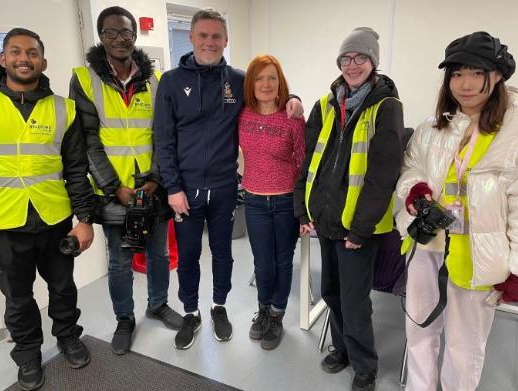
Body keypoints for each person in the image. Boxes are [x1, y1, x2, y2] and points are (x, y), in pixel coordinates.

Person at [154, 8, 303, 350]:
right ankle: (191, 312)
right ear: (191, 38)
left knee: (223, 254)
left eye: (216, 36)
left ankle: (219, 307)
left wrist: (294, 98)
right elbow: (163, 139)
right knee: (189, 256)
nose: (210, 42)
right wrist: (173, 188)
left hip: (224, 187)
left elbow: (272, 95)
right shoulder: (172, 82)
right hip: (186, 191)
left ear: (226, 40)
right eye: (203, 35)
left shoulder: (237, 81)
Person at [396, 31, 518, 391]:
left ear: (497, 75)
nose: (464, 84)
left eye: (475, 72)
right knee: (419, 330)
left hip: (479, 257)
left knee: (464, 347)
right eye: (456, 74)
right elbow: (411, 170)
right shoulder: (433, 126)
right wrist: (415, 191)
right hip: (428, 247)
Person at [0, 28, 95, 390]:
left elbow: (76, 169)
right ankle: (27, 355)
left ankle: (69, 337)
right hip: (3, 223)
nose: (24, 58)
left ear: (43, 61)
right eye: (15, 51)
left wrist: (84, 219)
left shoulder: (63, 108)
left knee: (62, 287)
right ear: (2, 59)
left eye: (32, 52)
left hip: (54, 219)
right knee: (17, 298)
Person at [294, 27, 404, 391]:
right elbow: (308, 161)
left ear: (373, 62)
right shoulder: (325, 105)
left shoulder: (386, 106)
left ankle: (364, 366)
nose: (352, 64)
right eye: (346, 58)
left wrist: (360, 229)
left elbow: (383, 175)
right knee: (332, 292)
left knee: (355, 302)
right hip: (325, 218)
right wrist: (303, 211)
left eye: (360, 58)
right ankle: (342, 348)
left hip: (359, 225)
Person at [69, 6, 182, 356]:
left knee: (159, 253)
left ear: (135, 36)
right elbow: (87, 141)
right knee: (119, 260)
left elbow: (165, 135)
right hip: (113, 191)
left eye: (126, 33)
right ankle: (124, 319)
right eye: (111, 33)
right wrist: (113, 186)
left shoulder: (155, 81)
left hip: (153, 187)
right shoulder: (84, 79)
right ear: (100, 37)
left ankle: (158, 304)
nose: (120, 39)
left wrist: (155, 179)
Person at [239, 54, 305, 350]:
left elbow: (304, 165)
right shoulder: (242, 114)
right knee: (263, 264)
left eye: (272, 78)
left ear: (281, 83)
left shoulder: (293, 117)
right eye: (259, 78)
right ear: (250, 84)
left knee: (283, 261)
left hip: (285, 202)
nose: (265, 84)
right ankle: (263, 310)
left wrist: (305, 212)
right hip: (253, 201)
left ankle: (277, 316)